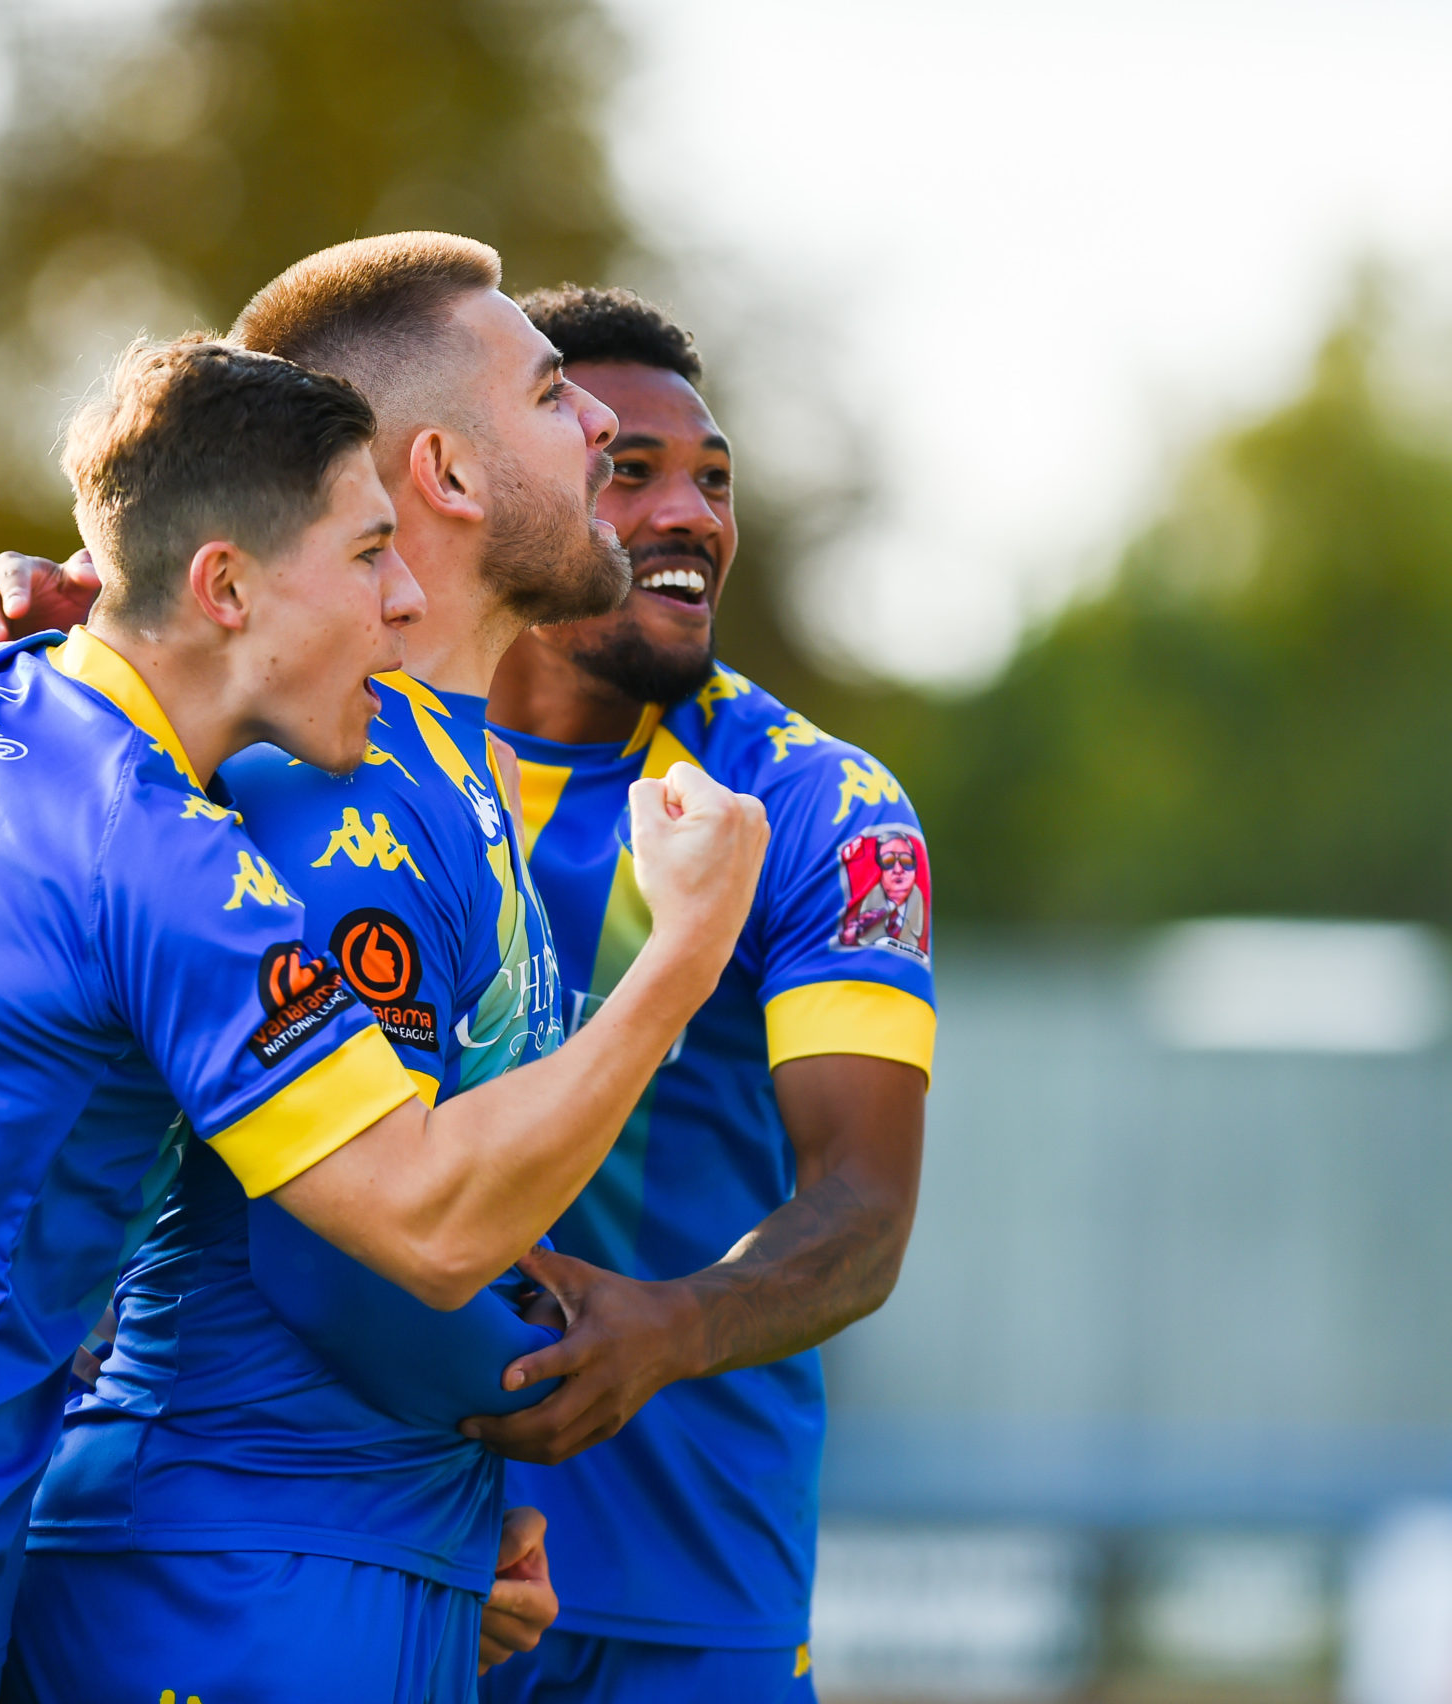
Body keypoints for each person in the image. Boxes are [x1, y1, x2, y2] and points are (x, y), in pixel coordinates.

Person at [0, 336, 767, 1703]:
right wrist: (684, 954)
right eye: (368, 556)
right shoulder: (167, 866)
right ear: (227, 583)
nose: (402, 598)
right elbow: (420, 1226)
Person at [0, 232, 627, 1704]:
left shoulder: (444, 771)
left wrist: (443, 1529)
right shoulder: (323, 787)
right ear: (447, 474)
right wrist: (543, 1386)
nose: (604, 423)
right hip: (228, 1574)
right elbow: (340, 1254)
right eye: (557, 395)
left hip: (333, 1561)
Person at [469, 285, 934, 1704]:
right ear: (494, 492)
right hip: (401, 1557)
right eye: (631, 471)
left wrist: (667, 1331)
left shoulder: (820, 806)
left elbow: (862, 1215)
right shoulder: (345, 762)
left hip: (689, 1595)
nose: (692, 514)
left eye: (714, 478)